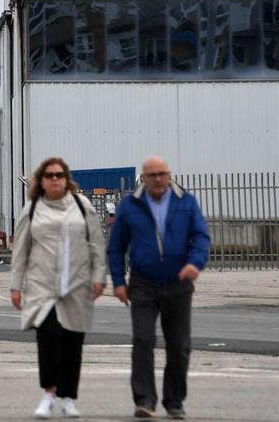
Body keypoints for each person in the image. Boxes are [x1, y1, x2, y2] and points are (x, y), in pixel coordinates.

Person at [108, 156, 210, 420]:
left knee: (179, 345)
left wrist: (195, 264)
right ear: (143, 177)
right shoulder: (130, 205)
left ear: (169, 175)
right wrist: (118, 281)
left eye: (162, 174)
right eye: (152, 175)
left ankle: (174, 401)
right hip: (143, 285)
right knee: (143, 340)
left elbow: (200, 236)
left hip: (179, 284)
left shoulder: (186, 202)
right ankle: (145, 400)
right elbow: (116, 247)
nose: (158, 179)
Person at [9, 157, 106, 419]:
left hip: (76, 284)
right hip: (43, 287)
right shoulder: (32, 209)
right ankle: (49, 394)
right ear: (41, 181)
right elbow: (21, 250)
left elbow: (96, 243)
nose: (55, 179)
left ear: (67, 179)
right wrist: (15, 286)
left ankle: (69, 398)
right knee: (49, 337)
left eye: (59, 175)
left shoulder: (81, 205)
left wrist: (99, 276)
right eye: (49, 175)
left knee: (73, 342)